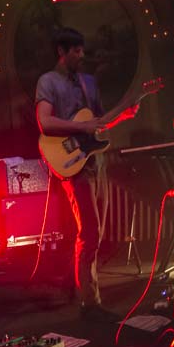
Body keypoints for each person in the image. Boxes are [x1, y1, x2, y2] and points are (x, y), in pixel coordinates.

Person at [36, 28, 136, 322]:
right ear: (62, 52)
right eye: (76, 51)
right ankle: (89, 303)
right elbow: (44, 123)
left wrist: (124, 115)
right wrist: (82, 128)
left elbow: (99, 122)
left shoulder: (88, 82)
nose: (82, 55)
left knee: (95, 232)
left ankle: (75, 287)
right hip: (71, 163)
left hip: (94, 161)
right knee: (90, 232)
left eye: (82, 50)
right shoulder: (48, 81)